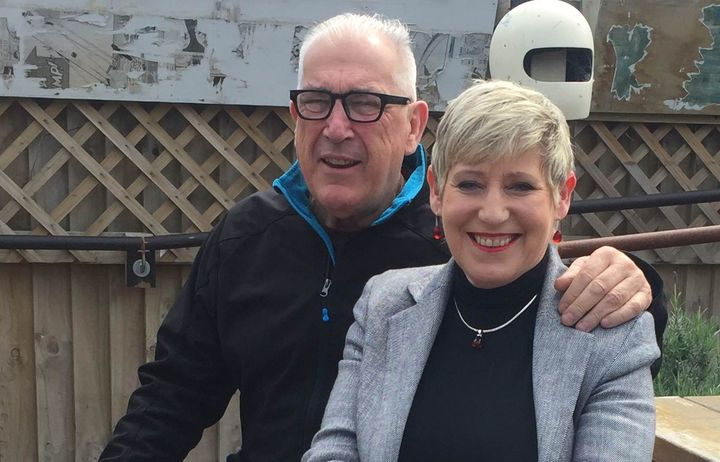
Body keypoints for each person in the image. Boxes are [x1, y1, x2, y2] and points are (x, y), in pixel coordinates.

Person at [100, 14, 666, 462]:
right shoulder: (247, 236)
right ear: (295, 117)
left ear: (414, 125)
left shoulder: (462, 240)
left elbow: (568, 309)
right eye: (317, 102)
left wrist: (642, 286)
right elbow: (171, 396)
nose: (337, 126)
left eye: (367, 103)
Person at [302, 79, 660, 462]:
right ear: (437, 192)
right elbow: (334, 450)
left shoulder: (614, 339)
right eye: (470, 183)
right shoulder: (383, 305)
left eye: (520, 186)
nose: (492, 213)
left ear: (563, 195)